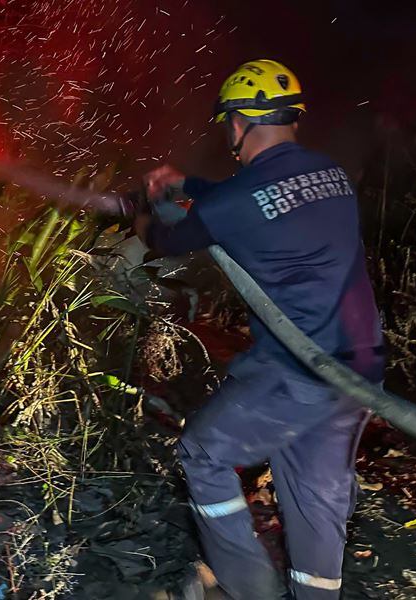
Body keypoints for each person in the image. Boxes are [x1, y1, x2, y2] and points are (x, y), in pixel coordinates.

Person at [135, 60, 385, 599]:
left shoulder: (231, 203)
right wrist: (188, 185)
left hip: (299, 374)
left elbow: (166, 238)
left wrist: (146, 206)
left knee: (204, 452)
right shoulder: (331, 174)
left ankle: (246, 587)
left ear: (237, 122)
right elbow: (252, 196)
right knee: (314, 496)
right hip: (361, 368)